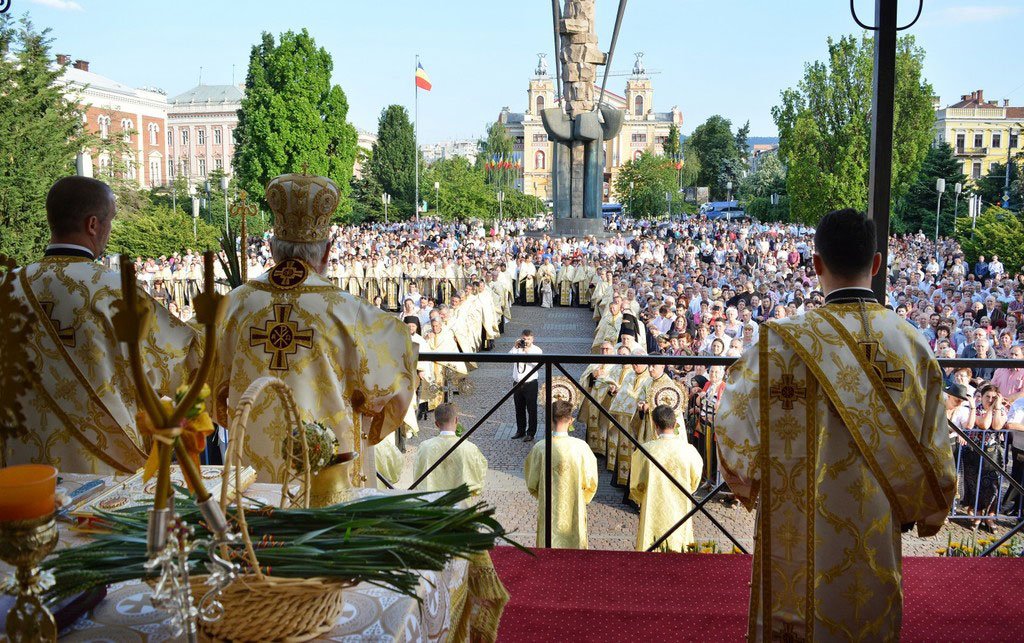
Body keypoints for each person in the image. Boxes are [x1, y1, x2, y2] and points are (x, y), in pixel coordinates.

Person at [716, 208, 955, 641]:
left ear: (816, 264)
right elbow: (936, 451)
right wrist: (923, 506)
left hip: (799, 531)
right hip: (879, 527)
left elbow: (732, 424)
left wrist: (752, 481)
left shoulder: (780, 344)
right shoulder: (911, 343)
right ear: (877, 263)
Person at [211, 172, 417, 485]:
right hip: (327, 472)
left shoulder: (234, 305)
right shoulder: (349, 311)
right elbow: (396, 375)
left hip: (250, 475)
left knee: (252, 527)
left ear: (271, 247)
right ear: (326, 251)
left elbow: (196, 372)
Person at [8, 177, 201, 474]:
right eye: (110, 220)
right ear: (93, 225)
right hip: (105, 466)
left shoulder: (7, 287)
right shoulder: (114, 291)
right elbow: (183, 359)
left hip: (18, 466)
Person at [524, 400, 598, 548]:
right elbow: (591, 482)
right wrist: (582, 498)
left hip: (548, 506)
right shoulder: (581, 447)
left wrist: (543, 495)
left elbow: (532, 482)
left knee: (548, 546)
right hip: (574, 506)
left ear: (551, 420)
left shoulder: (540, 448)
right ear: (571, 420)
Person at [629, 405, 704, 552]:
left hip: (652, 508)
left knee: (651, 547)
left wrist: (641, 499)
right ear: (676, 424)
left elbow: (636, 485)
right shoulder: (689, 450)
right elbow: (695, 481)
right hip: (681, 506)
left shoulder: (645, 450)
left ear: (655, 425)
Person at [412, 403, 488, 494]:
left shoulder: (424, 447)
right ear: (456, 420)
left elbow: (417, 475)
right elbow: (479, 475)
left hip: (432, 503)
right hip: (460, 503)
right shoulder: (469, 448)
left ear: (436, 424)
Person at [510, 329, 542, 441]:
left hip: (530, 383)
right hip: (517, 382)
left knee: (531, 409)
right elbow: (508, 357)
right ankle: (520, 430)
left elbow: (536, 363)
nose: (526, 341)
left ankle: (531, 433)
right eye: (524, 339)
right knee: (519, 408)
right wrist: (515, 347)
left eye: (528, 339)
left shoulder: (537, 350)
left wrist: (527, 350)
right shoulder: (517, 348)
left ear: (532, 339)